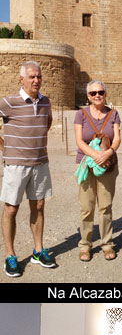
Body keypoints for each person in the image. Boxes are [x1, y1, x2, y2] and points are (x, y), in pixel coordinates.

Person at [0, 61, 55, 277]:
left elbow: (46, 123)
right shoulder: (9, 102)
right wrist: (4, 144)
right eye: (32, 76)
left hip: (40, 163)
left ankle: (38, 251)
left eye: (39, 76)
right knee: (11, 209)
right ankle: (10, 255)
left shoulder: (46, 102)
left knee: (39, 206)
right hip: (15, 165)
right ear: (21, 79)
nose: (36, 80)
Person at [74, 80, 120, 261]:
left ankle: (107, 243)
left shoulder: (114, 114)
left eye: (100, 92)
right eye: (93, 93)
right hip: (86, 165)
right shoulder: (81, 114)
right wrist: (95, 155)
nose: (97, 95)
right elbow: (79, 141)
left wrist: (107, 153)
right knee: (86, 207)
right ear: (88, 96)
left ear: (105, 93)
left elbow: (116, 139)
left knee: (106, 206)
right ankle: (85, 244)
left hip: (107, 165)